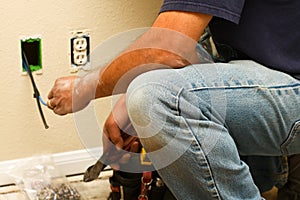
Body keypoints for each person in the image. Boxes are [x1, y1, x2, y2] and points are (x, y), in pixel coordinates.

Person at [47, 0, 300, 199]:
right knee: (146, 78)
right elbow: (189, 41)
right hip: (270, 71)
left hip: (291, 86)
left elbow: (169, 45)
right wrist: (130, 94)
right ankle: (263, 180)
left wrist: (86, 87)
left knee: (155, 97)